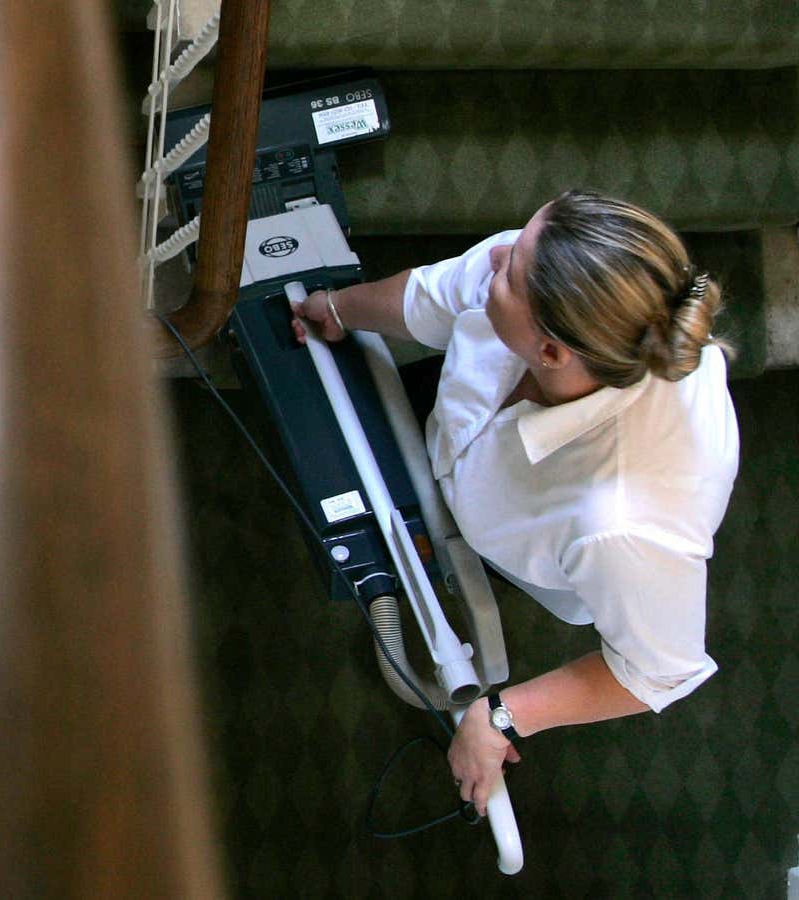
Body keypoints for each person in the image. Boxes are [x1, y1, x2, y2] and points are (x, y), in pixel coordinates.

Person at [290, 189, 741, 817]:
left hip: (570, 549)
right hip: (474, 446)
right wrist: (336, 308)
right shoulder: (539, 272)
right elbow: (431, 297)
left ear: (552, 354)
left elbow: (657, 672)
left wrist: (502, 715)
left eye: (509, 272)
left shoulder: (626, 529)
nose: (496, 254)